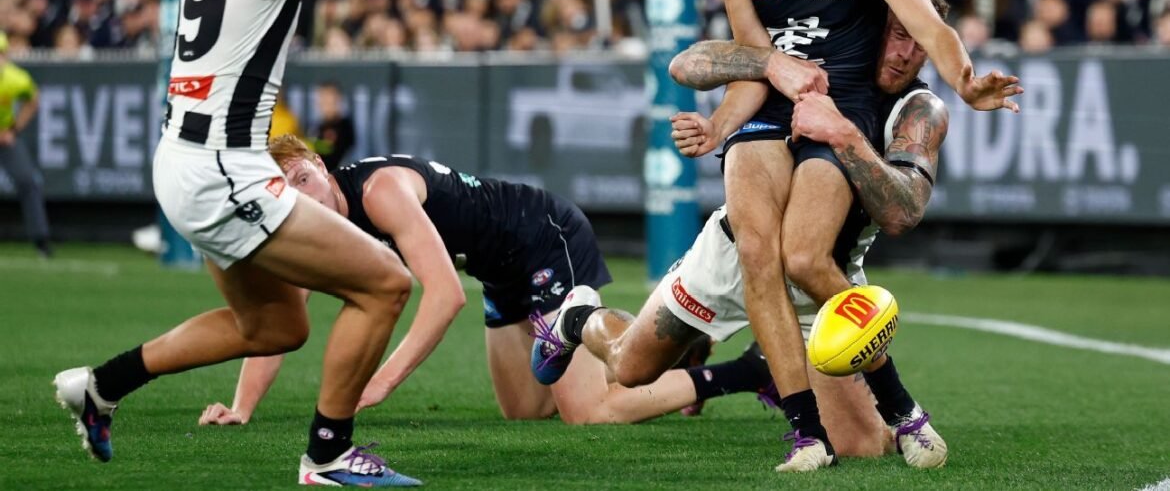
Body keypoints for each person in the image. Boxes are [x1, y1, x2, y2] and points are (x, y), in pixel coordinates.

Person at [52, 0, 480, 486]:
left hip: (184, 163)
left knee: (274, 325)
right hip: (225, 169)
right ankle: (329, 456)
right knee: (386, 285)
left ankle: (101, 386)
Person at [656, 0, 1019, 471]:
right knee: (757, 250)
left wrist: (965, 81)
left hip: (839, 111)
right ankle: (807, 435)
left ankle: (901, 410)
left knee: (802, 256)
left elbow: (930, 26)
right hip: (769, 110)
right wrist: (719, 127)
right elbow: (752, 63)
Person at [534, 0, 950, 465]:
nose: (905, 54)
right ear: (871, 24)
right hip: (734, 255)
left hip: (822, 278)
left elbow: (903, 212)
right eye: (898, 34)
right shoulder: (807, 66)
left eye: (921, 43)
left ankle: (760, 367)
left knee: (863, 446)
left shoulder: (920, 110)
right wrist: (767, 64)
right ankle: (578, 317)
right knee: (629, 367)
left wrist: (844, 134)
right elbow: (688, 63)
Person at [198, 135, 774, 427]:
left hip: (543, 238)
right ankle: (678, 343)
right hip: (499, 272)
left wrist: (381, 381)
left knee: (589, 413)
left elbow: (444, 296)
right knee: (524, 411)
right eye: (286, 191)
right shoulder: (318, 224)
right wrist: (242, 407)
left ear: (322, 168)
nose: (302, 195)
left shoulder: (379, 192)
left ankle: (746, 371)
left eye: (302, 177)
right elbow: (282, 315)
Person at [0, 31, 51, 257]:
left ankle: (41, 240)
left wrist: (13, 130)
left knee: (28, 181)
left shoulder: (16, 79)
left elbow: (33, 99)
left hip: (5, 136)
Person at [311, 81, 355, 170]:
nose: (324, 104)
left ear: (338, 100)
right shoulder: (318, 126)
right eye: (322, 99)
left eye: (328, 100)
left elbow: (334, 153)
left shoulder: (344, 127)